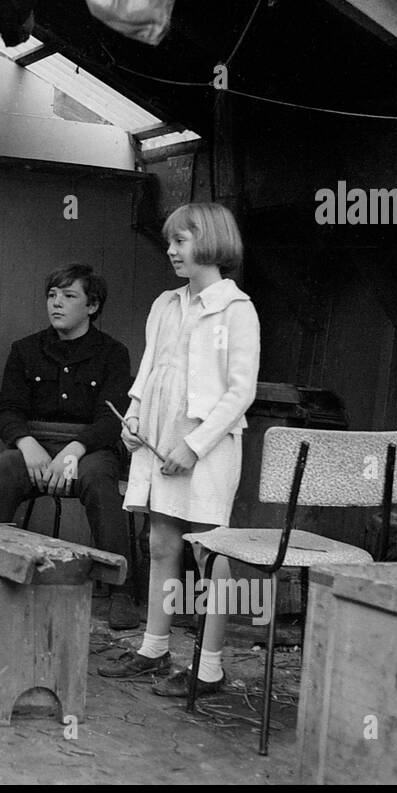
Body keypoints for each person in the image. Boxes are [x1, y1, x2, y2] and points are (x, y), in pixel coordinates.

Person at [99, 203, 260, 698]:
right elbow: (149, 370)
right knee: (162, 541)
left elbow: (241, 392)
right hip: (159, 433)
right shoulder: (165, 304)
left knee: (212, 551)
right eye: (170, 241)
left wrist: (193, 447)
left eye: (181, 240)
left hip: (206, 444)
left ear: (210, 243)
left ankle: (209, 668)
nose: (171, 250)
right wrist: (133, 415)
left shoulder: (237, 310)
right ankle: (153, 647)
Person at [0, 263, 140, 629]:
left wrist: (74, 451)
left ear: (92, 306)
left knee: (101, 480)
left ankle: (121, 592)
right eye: (52, 295)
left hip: (89, 448)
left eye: (69, 296)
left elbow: (111, 420)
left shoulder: (112, 354)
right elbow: (8, 411)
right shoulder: (26, 350)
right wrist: (26, 444)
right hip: (35, 445)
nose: (56, 304)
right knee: (4, 469)